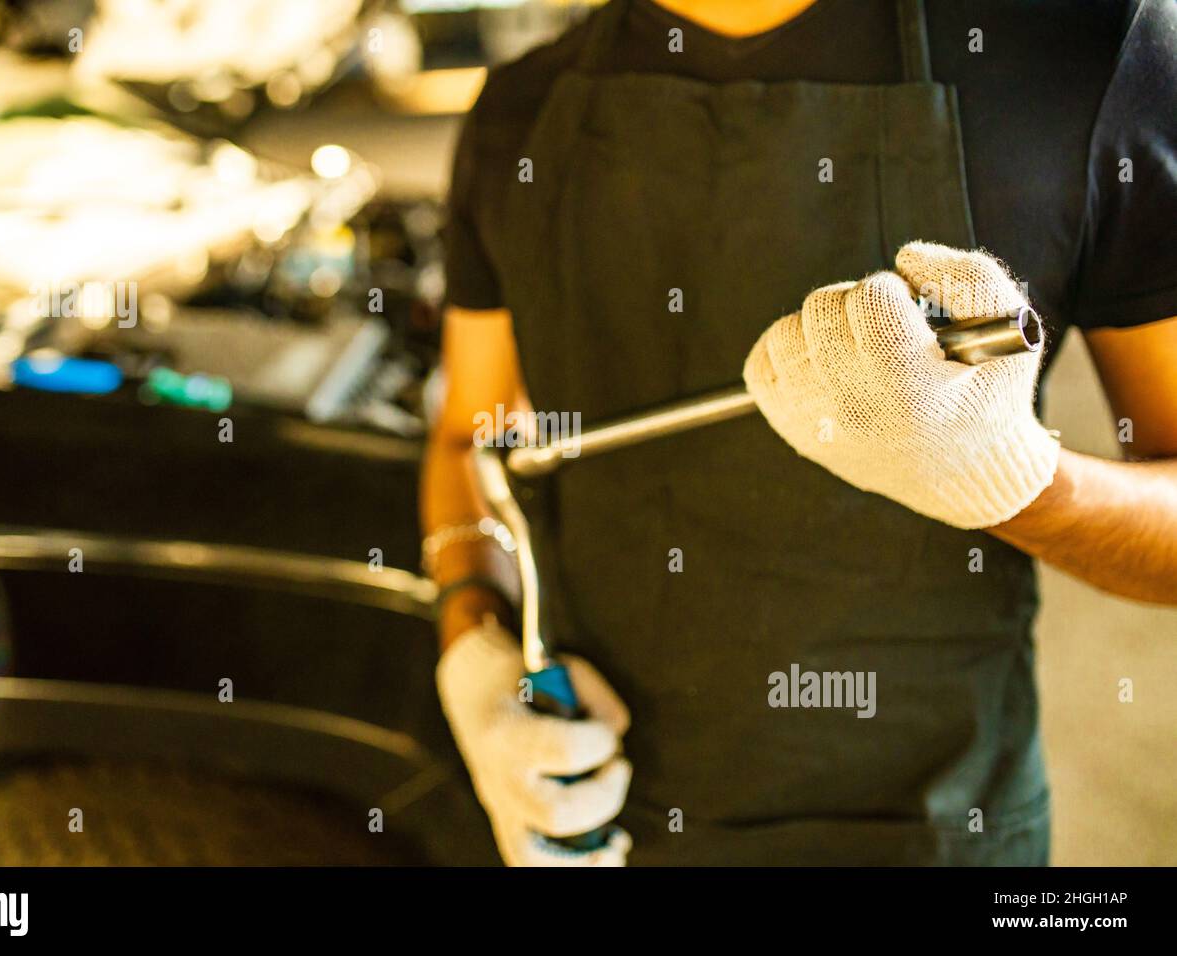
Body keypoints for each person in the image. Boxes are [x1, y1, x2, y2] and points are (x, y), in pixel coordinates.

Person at [421, 0, 1177, 866]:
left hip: (936, 828)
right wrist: (470, 642)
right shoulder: (519, 113)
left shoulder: (1092, 55)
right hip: (610, 817)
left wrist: (1012, 479)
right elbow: (466, 443)